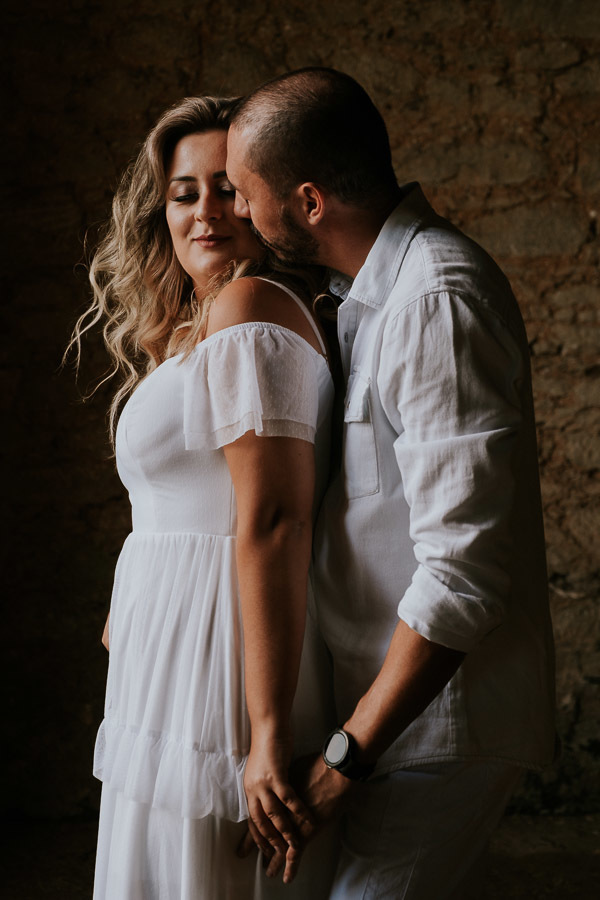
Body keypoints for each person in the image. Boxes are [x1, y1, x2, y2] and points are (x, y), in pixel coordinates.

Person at [226, 67, 557, 898]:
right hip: (395, 720)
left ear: (307, 202)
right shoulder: (367, 301)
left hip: (438, 722)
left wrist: (346, 757)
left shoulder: (434, 299)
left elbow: (465, 572)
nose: (234, 213)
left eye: (241, 191)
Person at [68, 95, 340, 899]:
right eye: (185, 191)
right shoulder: (205, 320)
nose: (205, 210)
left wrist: (267, 734)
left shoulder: (250, 308)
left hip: (224, 664)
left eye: (228, 187)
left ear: (271, 197)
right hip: (167, 660)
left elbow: (276, 517)